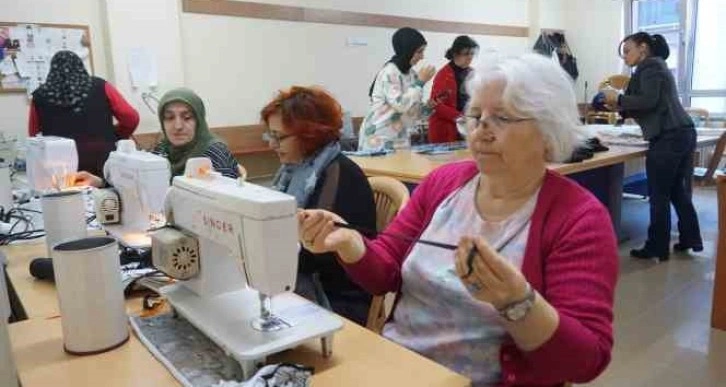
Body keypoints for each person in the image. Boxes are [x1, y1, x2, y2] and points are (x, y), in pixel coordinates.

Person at [298, 54, 618, 385]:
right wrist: (352, 245)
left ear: (548, 131)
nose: (481, 132)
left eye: (503, 118)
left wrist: (518, 302)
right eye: (476, 116)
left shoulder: (579, 218)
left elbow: (585, 361)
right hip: (397, 366)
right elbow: (386, 275)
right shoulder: (443, 183)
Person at [261, 86, 376, 325]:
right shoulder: (294, 171)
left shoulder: (341, 175)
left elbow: (316, 256)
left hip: (337, 300)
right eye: (270, 136)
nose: (272, 145)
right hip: (303, 282)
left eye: (279, 137)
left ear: (309, 134)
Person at [603, 32, 703, 260]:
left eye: (628, 51)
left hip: (669, 136)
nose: (625, 56)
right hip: (681, 133)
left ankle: (657, 246)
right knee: (676, 190)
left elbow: (649, 100)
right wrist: (618, 107)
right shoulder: (653, 67)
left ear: (643, 48)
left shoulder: (650, 67)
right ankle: (690, 238)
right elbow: (648, 104)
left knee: (659, 194)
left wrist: (617, 99)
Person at [74, 87, 241, 187]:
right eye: (169, 118)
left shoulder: (214, 152)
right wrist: (101, 182)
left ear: (199, 120)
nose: (177, 126)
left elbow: (231, 201)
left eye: (187, 117)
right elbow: (137, 180)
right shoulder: (162, 148)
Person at [29, 50, 139, 177]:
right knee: (107, 195)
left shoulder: (39, 95)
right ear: (80, 66)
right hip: (103, 160)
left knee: (67, 196)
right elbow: (131, 117)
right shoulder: (101, 86)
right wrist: (118, 134)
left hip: (61, 166)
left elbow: (33, 135)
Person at [358, 27, 436, 151]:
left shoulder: (412, 75)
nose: (422, 57)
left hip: (400, 138)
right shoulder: (389, 72)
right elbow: (400, 104)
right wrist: (420, 83)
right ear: (407, 50)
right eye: (419, 52)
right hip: (379, 138)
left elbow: (411, 112)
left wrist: (426, 109)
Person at [428, 35, 479, 144]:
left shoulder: (473, 73)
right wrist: (460, 117)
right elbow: (436, 104)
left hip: (466, 126)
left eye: (472, 54)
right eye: (466, 54)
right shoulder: (443, 75)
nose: (470, 57)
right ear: (455, 54)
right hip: (445, 129)